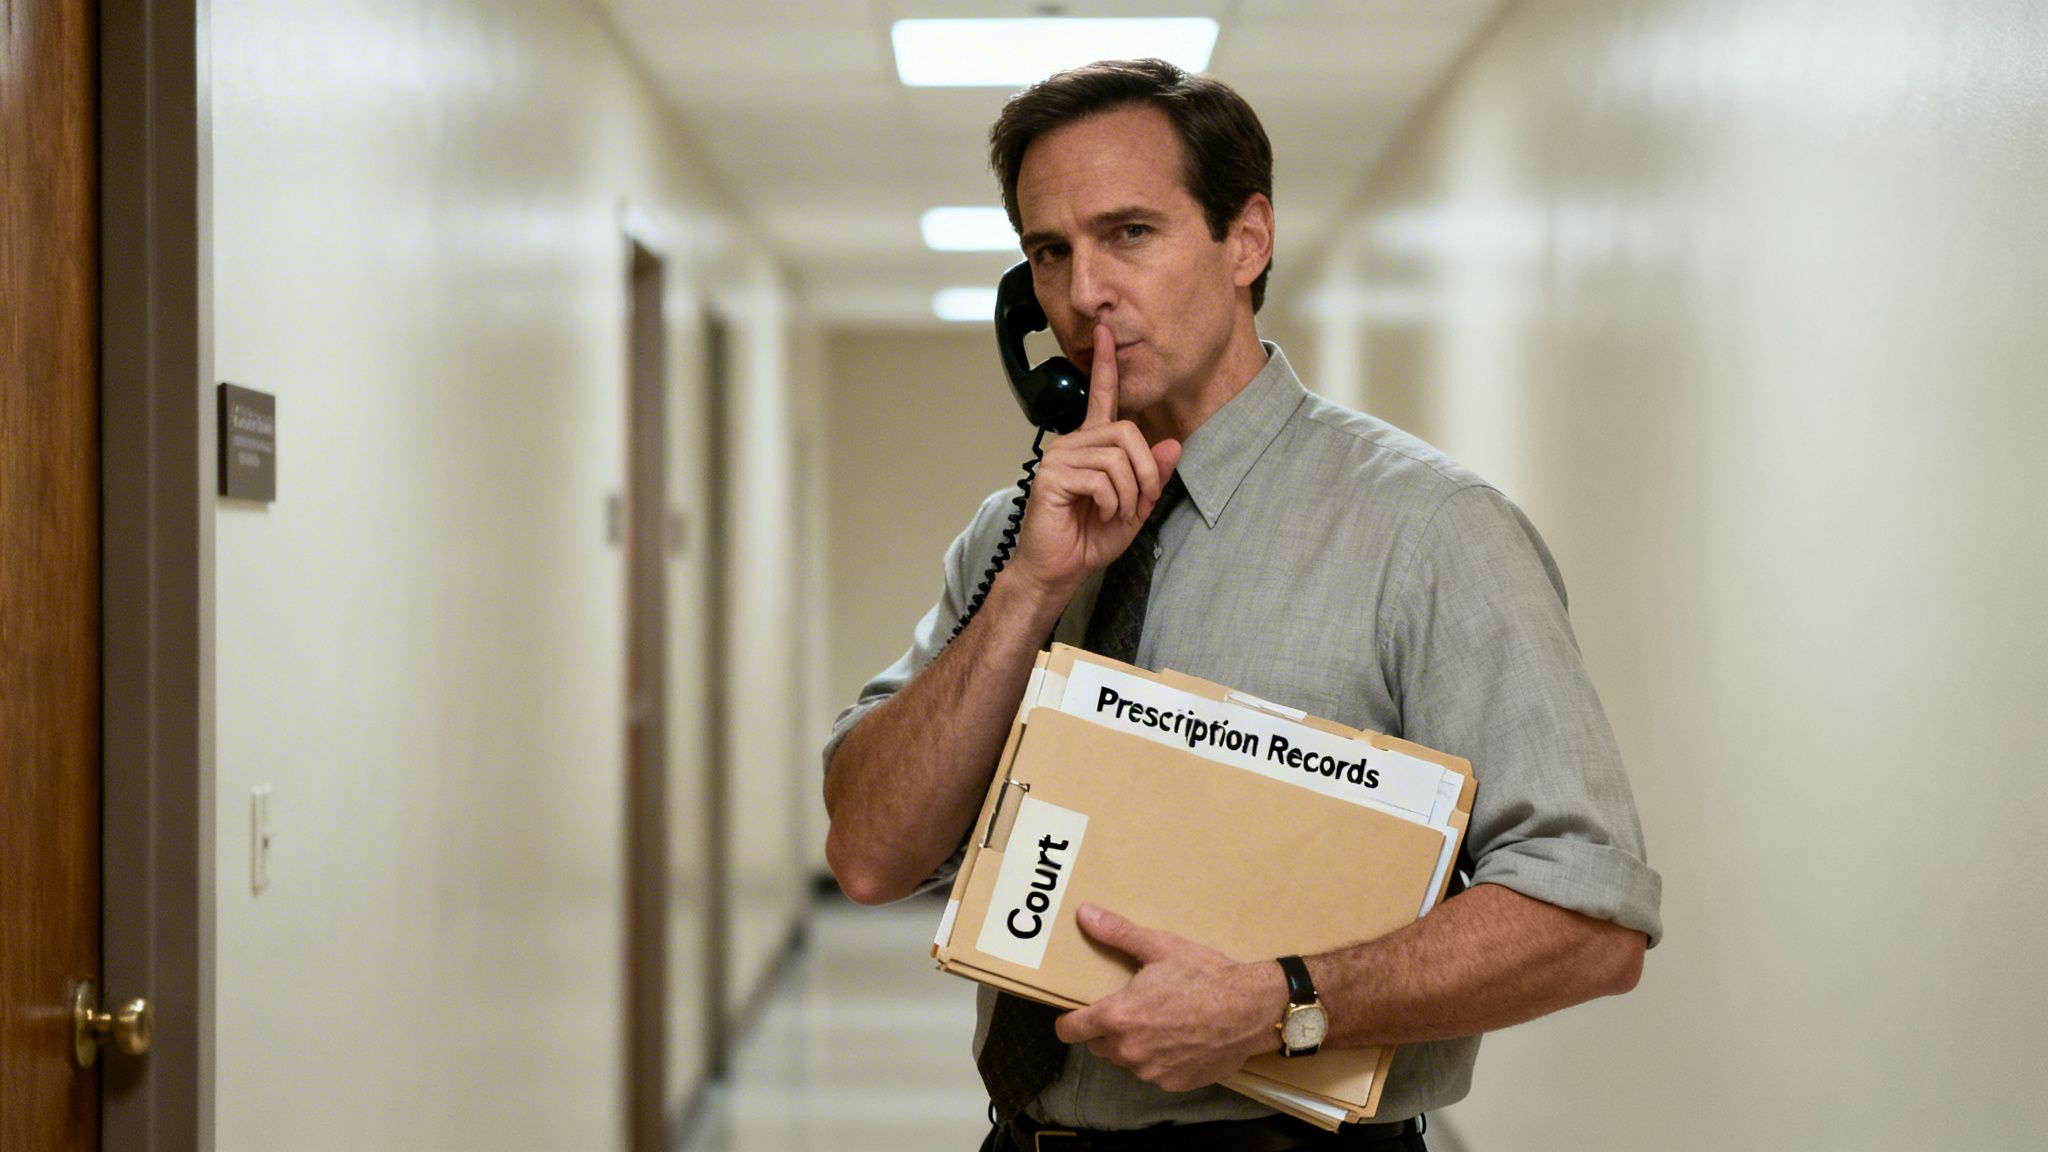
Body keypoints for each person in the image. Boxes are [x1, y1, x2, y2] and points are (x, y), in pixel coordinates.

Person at [823, 58, 1662, 1152]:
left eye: (1129, 233)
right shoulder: (1014, 536)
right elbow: (871, 854)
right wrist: (1028, 592)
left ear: (1245, 239)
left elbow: (1588, 923)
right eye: (1048, 251)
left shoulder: (1427, 531)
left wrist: (1282, 1001)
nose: (1082, 295)